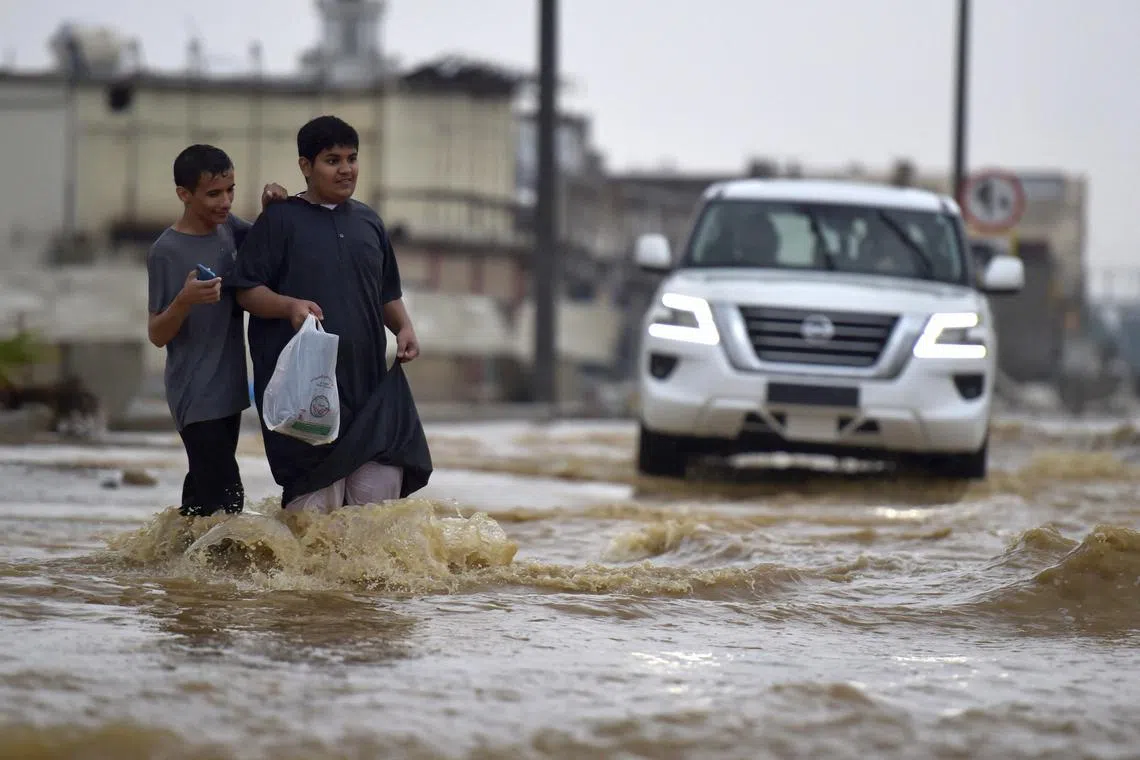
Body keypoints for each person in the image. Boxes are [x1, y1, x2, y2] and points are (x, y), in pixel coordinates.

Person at [231, 115, 433, 513]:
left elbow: (386, 292)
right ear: (306, 166)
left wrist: (404, 327)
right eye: (332, 160)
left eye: (352, 158)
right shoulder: (280, 220)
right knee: (312, 526)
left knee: (376, 524)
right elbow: (246, 291)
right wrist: (289, 306)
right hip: (307, 394)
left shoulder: (369, 222)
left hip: (370, 391)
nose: (346, 170)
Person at [146, 143, 288, 517]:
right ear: (184, 194)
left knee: (202, 498)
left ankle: (173, 570)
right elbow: (157, 334)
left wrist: (273, 209)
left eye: (230, 191)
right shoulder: (167, 250)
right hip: (194, 394)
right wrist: (185, 300)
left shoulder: (229, 230)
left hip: (229, 391)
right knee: (227, 500)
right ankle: (209, 572)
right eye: (213, 194)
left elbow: (267, 244)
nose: (225, 202)